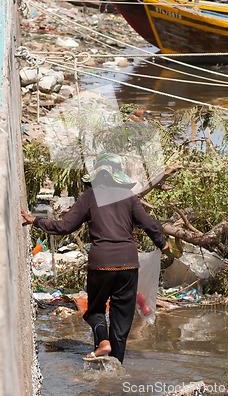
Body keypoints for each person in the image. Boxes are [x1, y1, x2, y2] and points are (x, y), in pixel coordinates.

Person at [21, 153, 169, 363]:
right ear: (117, 176)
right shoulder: (129, 197)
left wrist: (36, 221)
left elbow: (65, 227)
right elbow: (149, 223)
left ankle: (102, 342)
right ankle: (116, 364)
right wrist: (162, 243)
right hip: (128, 264)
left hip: (101, 264)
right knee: (121, 318)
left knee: (95, 311)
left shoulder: (89, 197)